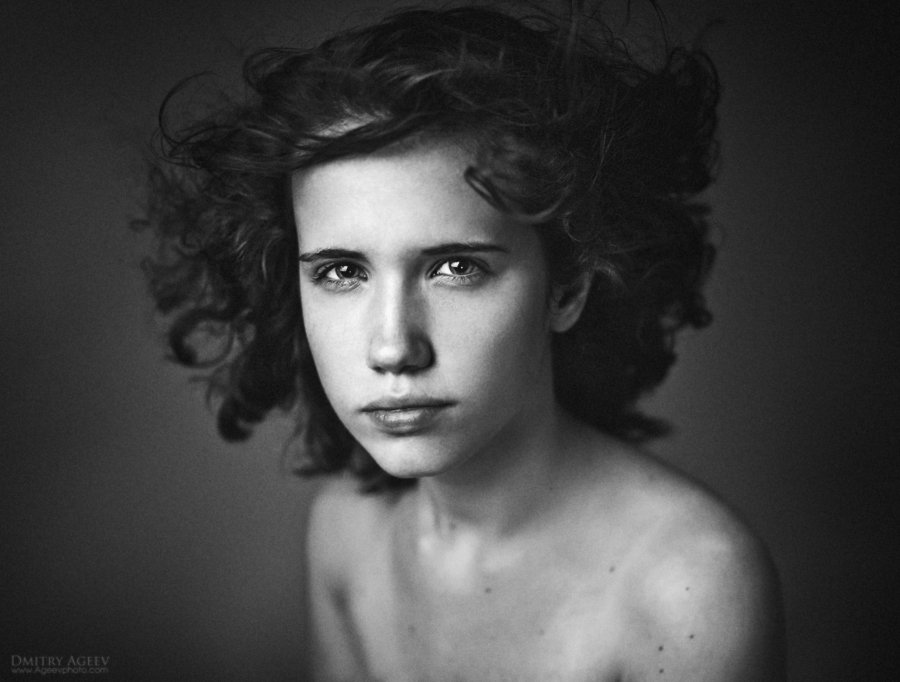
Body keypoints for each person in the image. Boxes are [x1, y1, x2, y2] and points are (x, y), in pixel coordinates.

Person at [142, 3, 785, 679]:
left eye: (456, 268)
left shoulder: (689, 590)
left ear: (567, 289)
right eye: (341, 272)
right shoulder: (346, 531)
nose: (393, 348)